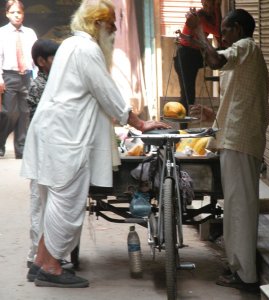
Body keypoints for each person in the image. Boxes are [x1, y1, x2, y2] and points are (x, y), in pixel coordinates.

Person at [21, 0, 169, 288]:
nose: (114, 30)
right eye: (111, 24)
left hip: (53, 133)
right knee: (66, 204)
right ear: (98, 23)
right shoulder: (87, 49)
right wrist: (139, 123)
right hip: (65, 138)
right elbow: (106, 91)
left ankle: (39, 262)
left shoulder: (69, 45)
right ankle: (51, 268)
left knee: (54, 202)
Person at [188, 9, 269, 292]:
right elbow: (239, 99)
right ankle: (238, 266)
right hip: (235, 138)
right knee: (235, 206)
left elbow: (214, 60)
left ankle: (245, 275)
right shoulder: (245, 53)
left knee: (241, 209)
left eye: (224, 30)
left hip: (240, 141)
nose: (221, 36)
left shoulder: (245, 47)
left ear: (237, 29)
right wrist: (212, 115)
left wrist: (198, 33)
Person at [25, 39, 61, 270]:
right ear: (41, 61)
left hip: (48, 151)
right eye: (54, 58)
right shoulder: (40, 86)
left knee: (46, 204)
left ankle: (42, 255)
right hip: (41, 152)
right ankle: (35, 258)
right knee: (40, 204)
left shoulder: (53, 82)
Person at [173, 0, 221, 129]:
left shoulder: (206, 16)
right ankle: (182, 130)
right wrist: (216, 8)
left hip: (194, 54)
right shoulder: (199, 18)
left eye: (210, 5)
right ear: (202, 4)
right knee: (188, 94)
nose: (208, 8)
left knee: (219, 56)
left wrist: (216, 9)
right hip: (185, 56)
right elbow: (217, 31)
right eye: (206, 5)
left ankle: (183, 128)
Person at [0, 0, 37, 159]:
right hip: (9, 76)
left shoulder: (30, 33)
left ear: (23, 14)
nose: (17, 15)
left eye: (19, 12)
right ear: (7, 13)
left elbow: (36, 58)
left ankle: (21, 149)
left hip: (27, 76)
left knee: (24, 113)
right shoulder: (1, 33)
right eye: (13, 12)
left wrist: (35, 77)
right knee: (9, 113)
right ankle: (0, 142)